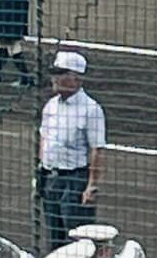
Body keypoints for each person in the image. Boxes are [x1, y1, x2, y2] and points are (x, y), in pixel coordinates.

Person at [37, 53, 107, 247]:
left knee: (77, 235)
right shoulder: (51, 105)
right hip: (51, 177)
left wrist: (91, 185)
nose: (54, 79)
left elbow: (96, 149)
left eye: (60, 74)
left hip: (75, 180)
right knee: (54, 233)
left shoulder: (91, 110)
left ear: (76, 77)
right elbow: (44, 138)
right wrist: (41, 170)